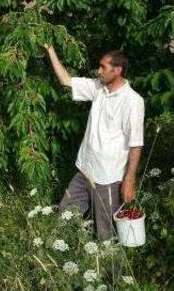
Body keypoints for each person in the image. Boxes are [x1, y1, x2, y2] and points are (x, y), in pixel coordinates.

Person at [43, 44, 144, 240]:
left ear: (118, 70)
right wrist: (50, 50)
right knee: (64, 217)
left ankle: (109, 270)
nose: (98, 71)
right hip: (85, 170)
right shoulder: (98, 88)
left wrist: (129, 180)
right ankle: (66, 258)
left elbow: (136, 143)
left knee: (106, 234)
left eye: (103, 67)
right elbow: (65, 80)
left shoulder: (132, 101)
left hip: (108, 179)